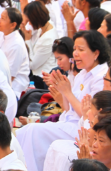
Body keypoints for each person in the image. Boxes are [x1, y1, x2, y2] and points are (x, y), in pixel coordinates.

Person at [17, 30, 110, 171]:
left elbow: (88, 115)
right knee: (25, 132)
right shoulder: (82, 73)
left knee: (32, 131)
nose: (75, 54)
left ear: (96, 53)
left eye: (81, 49)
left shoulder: (100, 76)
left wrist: (67, 92)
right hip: (70, 121)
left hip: (83, 128)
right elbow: (69, 110)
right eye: (74, 49)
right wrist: (61, 97)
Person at [23, 1, 59, 88]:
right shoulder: (45, 26)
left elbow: (32, 65)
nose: (29, 23)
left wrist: (27, 40)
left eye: (29, 20)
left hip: (42, 80)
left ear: (36, 19)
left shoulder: (48, 38)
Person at [0, 8, 30, 97]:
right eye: (0, 17)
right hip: (0, 80)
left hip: (15, 88)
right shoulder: (2, 34)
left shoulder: (16, 44)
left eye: (3, 19)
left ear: (13, 25)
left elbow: (10, 76)